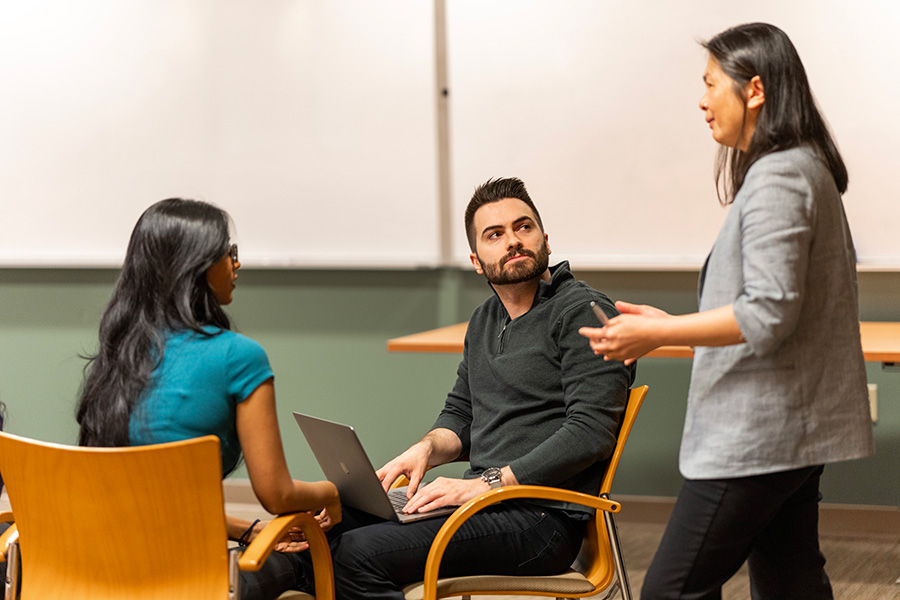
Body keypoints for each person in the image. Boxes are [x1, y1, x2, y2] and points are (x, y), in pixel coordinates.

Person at [580, 23, 874, 599]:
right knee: (790, 580)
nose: (702, 98)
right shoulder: (804, 166)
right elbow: (768, 309)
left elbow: (766, 314)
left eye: (712, 83)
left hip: (760, 432)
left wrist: (659, 335)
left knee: (671, 589)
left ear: (756, 90)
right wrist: (668, 326)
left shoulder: (781, 176)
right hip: (792, 429)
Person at [317, 177, 635, 599]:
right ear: (476, 260)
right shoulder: (485, 319)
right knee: (322, 528)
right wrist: (427, 448)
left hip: (540, 519)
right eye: (495, 234)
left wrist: (486, 483)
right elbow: (461, 415)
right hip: (483, 504)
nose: (513, 242)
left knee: (359, 554)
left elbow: (590, 433)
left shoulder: (581, 312)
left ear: (546, 240)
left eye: (524, 228)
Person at [75, 198, 341, 600]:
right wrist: (331, 492)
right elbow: (276, 495)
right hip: (190, 581)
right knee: (312, 560)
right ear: (194, 265)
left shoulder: (119, 353)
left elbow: (154, 498)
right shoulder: (238, 356)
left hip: (91, 570)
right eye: (228, 253)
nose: (236, 265)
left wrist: (241, 529)